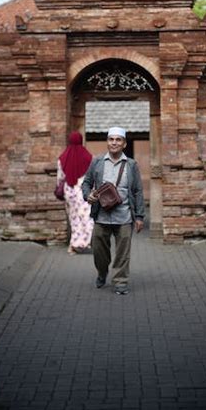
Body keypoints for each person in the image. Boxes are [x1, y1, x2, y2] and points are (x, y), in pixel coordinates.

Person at [82, 126, 145, 295]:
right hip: (101, 215)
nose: (114, 143)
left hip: (124, 216)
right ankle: (102, 272)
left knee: (123, 253)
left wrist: (139, 216)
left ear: (124, 144)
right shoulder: (97, 162)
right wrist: (88, 195)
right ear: (107, 142)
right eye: (111, 139)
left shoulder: (131, 164)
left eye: (118, 140)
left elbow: (138, 190)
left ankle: (120, 282)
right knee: (98, 251)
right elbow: (86, 183)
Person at [57, 131, 94, 254]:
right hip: (83, 191)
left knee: (74, 218)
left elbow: (60, 177)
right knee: (87, 217)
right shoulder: (89, 157)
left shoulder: (63, 158)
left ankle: (73, 245)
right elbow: (93, 176)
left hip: (70, 192)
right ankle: (83, 242)